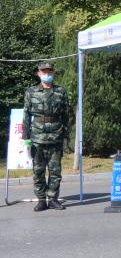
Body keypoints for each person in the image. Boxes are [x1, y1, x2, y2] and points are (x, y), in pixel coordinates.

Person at [22, 62, 70, 211]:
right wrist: (26, 137)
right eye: (44, 72)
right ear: (39, 73)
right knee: (38, 171)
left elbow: (66, 115)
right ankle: (41, 200)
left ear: (53, 73)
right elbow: (26, 114)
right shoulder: (31, 91)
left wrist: (66, 135)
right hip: (37, 138)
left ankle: (53, 199)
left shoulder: (61, 91)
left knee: (55, 171)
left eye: (49, 71)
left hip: (56, 136)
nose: (47, 74)